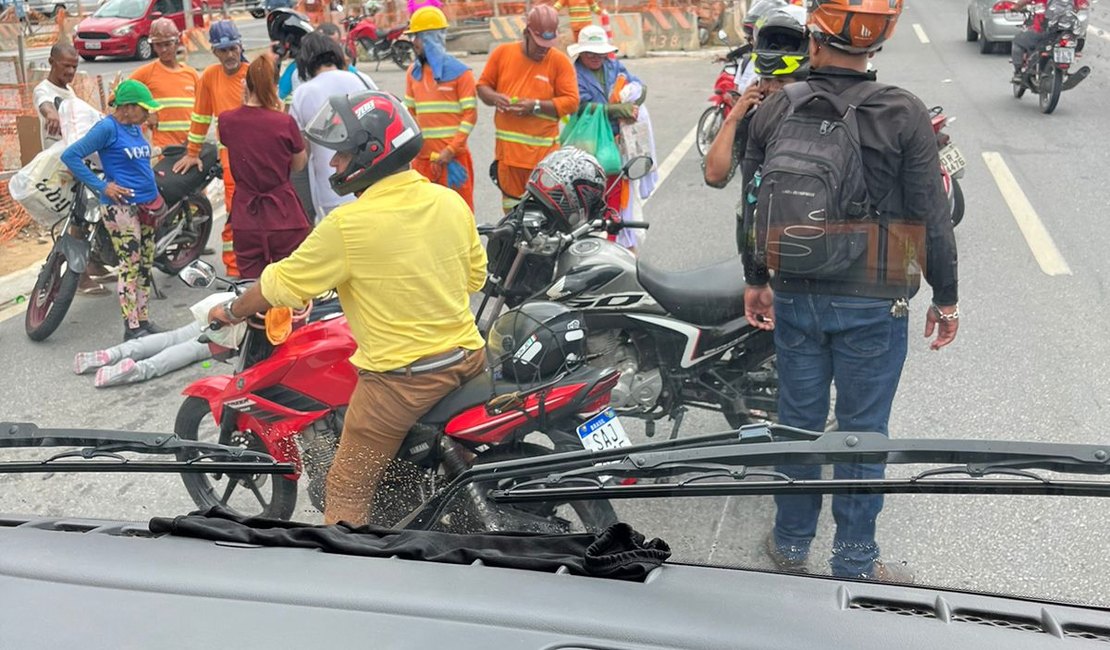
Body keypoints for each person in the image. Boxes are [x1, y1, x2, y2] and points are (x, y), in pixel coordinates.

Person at [739, 0, 959, 582]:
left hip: (794, 289)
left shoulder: (773, 108)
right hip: (876, 295)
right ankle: (855, 560)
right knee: (864, 430)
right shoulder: (903, 112)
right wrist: (947, 297)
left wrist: (756, 281)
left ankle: (790, 546)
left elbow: (751, 205)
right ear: (874, 46)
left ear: (813, 42)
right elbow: (932, 214)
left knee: (798, 423)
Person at [208, 90, 488, 527]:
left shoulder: (347, 225)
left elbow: (280, 282)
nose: (333, 165)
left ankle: (353, 574)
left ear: (370, 155)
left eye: (340, 156)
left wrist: (233, 309)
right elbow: (474, 279)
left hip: (403, 382)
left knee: (346, 488)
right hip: (470, 359)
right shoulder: (449, 201)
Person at [60, 80, 167, 341]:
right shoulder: (107, 128)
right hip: (121, 210)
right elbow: (71, 156)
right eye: (144, 109)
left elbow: (137, 163)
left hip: (146, 206)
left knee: (145, 264)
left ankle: (143, 320)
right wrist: (102, 187)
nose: (148, 113)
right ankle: (131, 328)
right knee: (129, 267)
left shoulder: (134, 127)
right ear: (128, 108)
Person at [477, 4, 579, 212]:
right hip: (509, 160)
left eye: (548, 45)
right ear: (526, 34)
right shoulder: (503, 54)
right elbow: (482, 87)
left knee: (544, 218)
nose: (544, 49)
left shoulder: (559, 62)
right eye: (539, 44)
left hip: (543, 161)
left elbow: (571, 102)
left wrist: (536, 106)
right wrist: (496, 98)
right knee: (513, 218)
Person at [218, 55, 312, 280]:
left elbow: (233, 141)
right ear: (275, 86)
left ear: (245, 85)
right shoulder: (284, 122)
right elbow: (299, 164)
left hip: (246, 215)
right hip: (284, 214)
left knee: (252, 287)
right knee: (291, 286)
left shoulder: (227, 120)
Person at [704, 2, 809, 198]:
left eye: (781, 81)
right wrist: (734, 118)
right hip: (754, 224)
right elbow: (714, 175)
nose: (771, 88)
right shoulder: (754, 120)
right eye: (766, 79)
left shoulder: (820, 122)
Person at [34, 42, 113, 296]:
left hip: (78, 163)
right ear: (51, 62)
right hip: (60, 168)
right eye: (65, 65)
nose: (70, 71)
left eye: (74, 66)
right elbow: (45, 105)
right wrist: (51, 115)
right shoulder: (44, 90)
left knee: (89, 213)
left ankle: (91, 262)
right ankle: (79, 277)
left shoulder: (69, 92)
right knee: (76, 219)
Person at [174, 20, 248, 279]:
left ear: (240, 46)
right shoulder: (209, 77)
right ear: (215, 52)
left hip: (259, 154)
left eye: (232, 48)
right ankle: (235, 267)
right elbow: (201, 117)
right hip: (231, 157)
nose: (229, 55)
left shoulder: (253, 74)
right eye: (223, 50)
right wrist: (192, 152)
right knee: (235, 212)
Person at [569, 25, 645, 249]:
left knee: (616, 192)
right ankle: (591, 241)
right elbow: (580, 106)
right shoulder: (574, 74)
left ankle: (616, 240)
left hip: (616, 140)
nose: (595, 58)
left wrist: (633, 98)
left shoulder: (614, 66)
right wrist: (617, 109)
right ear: (581, 53)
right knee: (590, 193)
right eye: (590, 53)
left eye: (599, 53)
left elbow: (638, 85)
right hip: (589, 142)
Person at [290, 31, 378, 222]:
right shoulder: (361, 80)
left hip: (330, 188)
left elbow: (301, 153)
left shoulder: (302, 94)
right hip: (370, 181)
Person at [403, 6, 477, 210]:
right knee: (425, 217)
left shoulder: (461, 74)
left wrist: (451, 150)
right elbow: (409, 115)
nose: (414, 43)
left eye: (416, 37)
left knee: (459, 213)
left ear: (430, 38)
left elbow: (469, 116)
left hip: (453, 161)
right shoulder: (413, 73)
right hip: (422, 162)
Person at [128, 18, 200, 150]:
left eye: (167, 44)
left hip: (190, 148)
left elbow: (201, 111)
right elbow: (117, 98)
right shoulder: (146, 73)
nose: (163, 49)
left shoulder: (192, 74)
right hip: (163, 149)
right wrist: (145, 113)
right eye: (158, 45)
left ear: (177, 42)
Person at [74, 321, 210, 387]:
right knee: (196, 347)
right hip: (231, 316)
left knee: (175, 336)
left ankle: (111, 354)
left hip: (222, 302)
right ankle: (139, 370)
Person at [1010, 0, 1077, 82]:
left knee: (1018, 41)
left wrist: (1015, 7)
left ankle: (1018, 73)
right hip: (1067, 32)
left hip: (1043, 32)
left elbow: (1022, 3)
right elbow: (1081, 6)